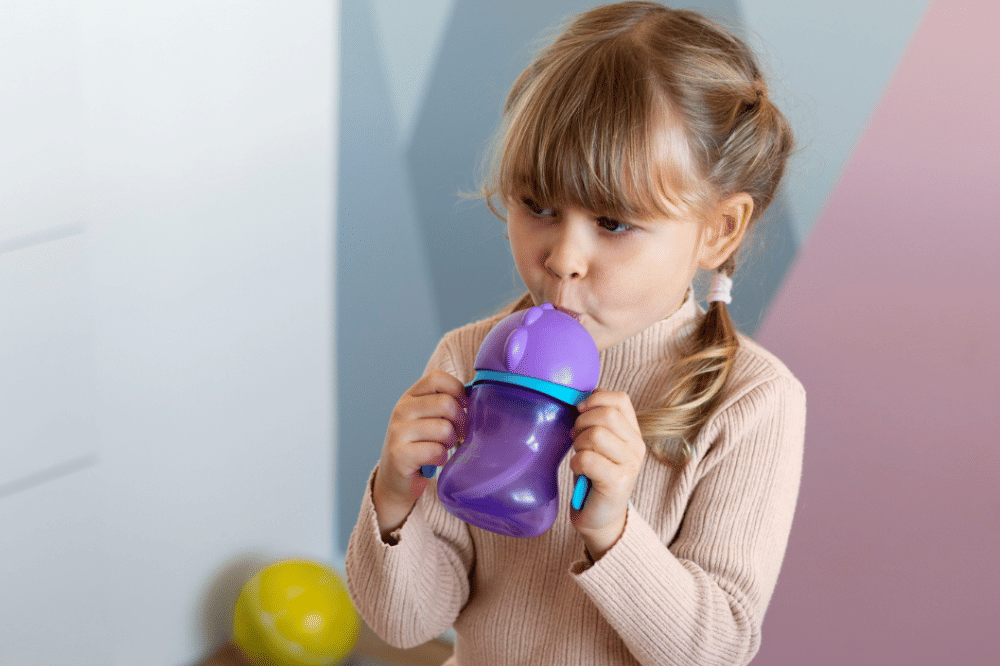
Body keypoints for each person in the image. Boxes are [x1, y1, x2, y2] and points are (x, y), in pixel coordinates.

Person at [345, 2, 806, 664]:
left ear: (718, 230)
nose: (562, 257)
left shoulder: (752, 402)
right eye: (537, 206)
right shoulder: (470, 359)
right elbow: (406, 624)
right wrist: (393, 498)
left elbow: (715, 650)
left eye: (613, 223)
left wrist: (612, 531)